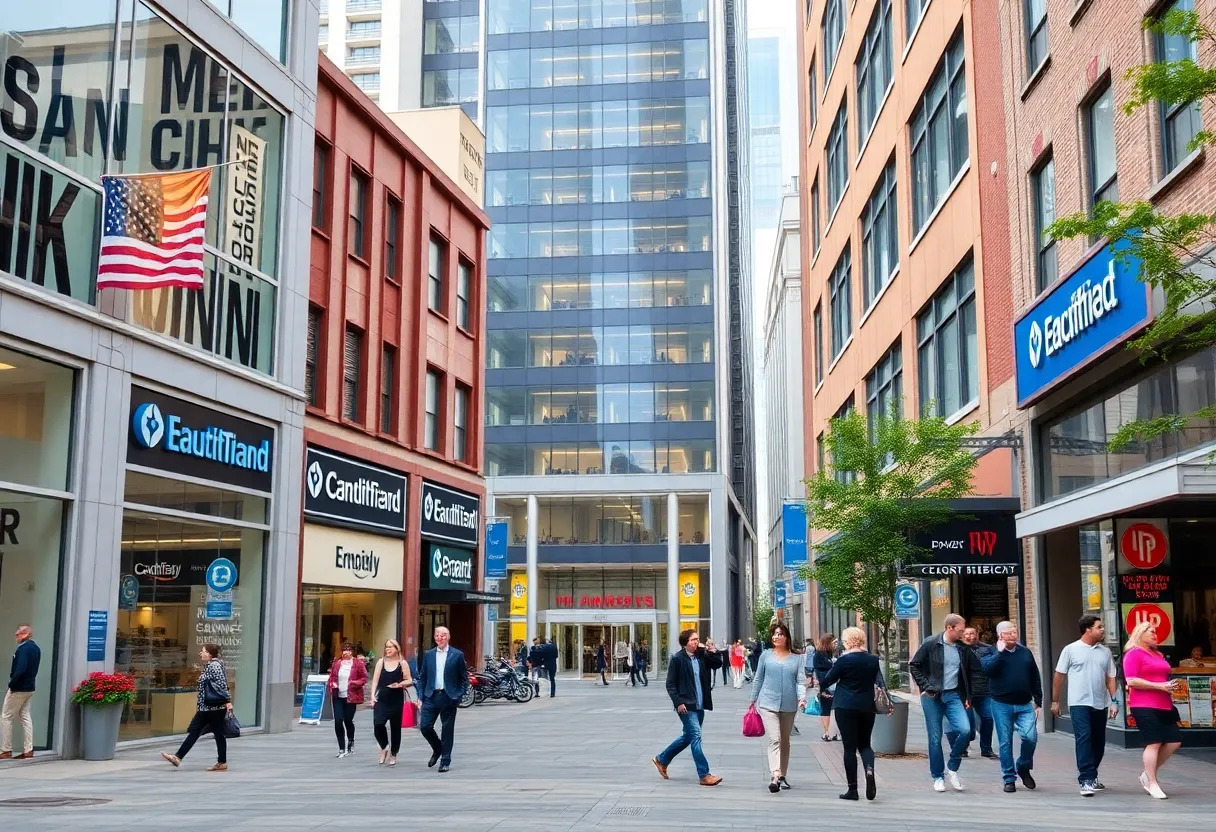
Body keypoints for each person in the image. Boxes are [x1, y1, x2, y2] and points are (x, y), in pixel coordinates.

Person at [909, 612, 979, 792]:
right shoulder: (931, 643)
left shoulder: (963, 648)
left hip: (953, 695)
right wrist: (926, 686)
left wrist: (968, 696)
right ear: (950, 628)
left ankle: (952, 767)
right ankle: (938, 776)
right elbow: (914, 665)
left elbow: (973, 671)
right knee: (935, 737)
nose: (963, 633)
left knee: (965, 730)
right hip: (932, 697)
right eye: (961, 630)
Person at [1052, 614, 1119, 796]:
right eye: (1099, 627)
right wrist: (1055, 701)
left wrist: (1114, 701)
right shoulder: (1070, 649)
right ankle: (1086, 779)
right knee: (1084, 737)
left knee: (1098, 741)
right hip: (1078, 702)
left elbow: (1111, 677)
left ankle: (1092, 774)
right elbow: (1059, 675)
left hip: (1100, 702)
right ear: (1088, 630)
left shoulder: (1105, 652)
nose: (1103, 630)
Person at [824, 627, 890, 801]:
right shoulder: (873, 660)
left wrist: (825, 686)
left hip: (845, 706)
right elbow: (879, 681)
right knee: (865, 744)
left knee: (849, 748)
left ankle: (852, 790)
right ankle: (869, 770)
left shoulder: (843, 660)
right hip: (867, 706)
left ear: (848, 641)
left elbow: (828, 679)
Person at [652, 629, 724, 786]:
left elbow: (718, 664)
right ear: (685, 643)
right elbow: (670, 684)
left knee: (688, 736)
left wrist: (713, 651)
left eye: (697, 639)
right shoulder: (677, 659)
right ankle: (704, 774)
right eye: (693, 640)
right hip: (686, 706)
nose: (696, 642)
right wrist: (678, 702)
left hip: (700, 704)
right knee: (696, 736)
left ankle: (662, 759)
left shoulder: (701, 655)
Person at [979, 621, 1042, 793]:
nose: (1013, 635)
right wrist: (999, 653)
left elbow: (1034, 676)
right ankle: (1009, 778)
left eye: (1014, 631)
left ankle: (1023, 766)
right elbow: (987, 670)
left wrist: (1038, 699)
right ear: (1000, 635)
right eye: (1008, 632)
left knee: (1030, 737)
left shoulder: (1025, 652)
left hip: (1025, 703)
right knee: (1005, 742)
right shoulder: (990, 651)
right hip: (1001, 704)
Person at [1122, 621, 1182, 799]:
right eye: (1151, 632)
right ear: (1140, 634)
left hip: (1164, 703)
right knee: (1154, 742)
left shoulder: (1158, 654)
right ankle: (1152, 782)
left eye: (1155, 632)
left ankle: (1147, 774)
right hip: (1143, 704)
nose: (1155, 635)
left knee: (1174, 741)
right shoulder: (1133, 653)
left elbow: (1162, 676)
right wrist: (1160, 686)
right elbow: (1131, 680)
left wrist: (1168, 686)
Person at [749, 622, 807, 793]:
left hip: (789, 705)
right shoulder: (766, 656)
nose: (776, 637)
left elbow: (800, 681)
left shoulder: (797, 659)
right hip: (768, 703)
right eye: (774, 634)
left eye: (780, 634)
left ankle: (782, 775)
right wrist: (753, 699)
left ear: (786, 637)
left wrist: (802, 698)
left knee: (785, 740)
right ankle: (775, 774)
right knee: (774, 738)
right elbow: (758, 678)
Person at [160, 644, 233, 771]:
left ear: (209, 654)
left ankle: (179, 757)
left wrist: (227, 701)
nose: (201, 653)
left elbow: (222, 684)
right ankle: (220, 762)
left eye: (203, 651)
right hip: (208, 707)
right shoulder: (211, 665)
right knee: (211, 733)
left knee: (205, 732)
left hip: (213, 707)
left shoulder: (214, 666)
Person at [416, 626, 468, 773]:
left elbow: (464, 679)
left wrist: (458, 694)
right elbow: (422, 677)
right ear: (434, 637)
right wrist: (420, 696)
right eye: (438, 635)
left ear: (449, 637)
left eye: (443, 635)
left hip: (448, 696)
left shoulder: (457, 655)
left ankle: (445, 761)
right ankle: (437, 748)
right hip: (431, 696)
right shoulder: (429, 654)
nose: (440, 638)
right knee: (425, 726)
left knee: (447, 729)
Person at [370, 639, 413, 767]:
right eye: (386, 647)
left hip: (396, 699)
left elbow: (409, 680)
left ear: (396, 648)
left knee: (395, 728)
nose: (388, 649)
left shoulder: (402, 663)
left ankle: (394, 753)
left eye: (390, 647)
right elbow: (375, 681)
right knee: (378, 724)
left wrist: (399, 684)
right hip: (382, 698)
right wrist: (372, 696)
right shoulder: (381, 662)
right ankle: (384, 747)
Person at [1, 625, 40, 761]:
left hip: (18, 688)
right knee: (25, 716)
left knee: (6, 716)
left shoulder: (23, 649)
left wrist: (12, 684)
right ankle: (28, 749)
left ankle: (6, 749)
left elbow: (20, 668)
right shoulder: (36, 648)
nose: (16, 636)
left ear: (25, 634)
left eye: (18, 634)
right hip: (29, 688)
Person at [325, 642, 366, 758]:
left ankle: (351, 740)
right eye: (344, 650)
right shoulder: (337, 663)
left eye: (348, 650)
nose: (346, 652)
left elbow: (364, 678)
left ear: (352, 652)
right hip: (338, 696)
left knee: (348, 720)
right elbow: (332, 677)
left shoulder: (358, 663)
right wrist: (332, 684)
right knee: (338, 720)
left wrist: (354, 683)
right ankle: (341, 748)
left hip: (351, 697)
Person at [962, 626, 996, 759]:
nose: (970, 636)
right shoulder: (958, 649)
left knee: (988, 718)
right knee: (967, 724)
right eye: (967, 634)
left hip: (984, 691)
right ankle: (963, 747)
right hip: (966, 693)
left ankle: (986, 749)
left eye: (972, 633)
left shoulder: (988, 649)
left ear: (977, 634)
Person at [811, 633, 839, 742]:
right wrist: (821, 687)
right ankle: (827, 732)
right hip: (825, 685)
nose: (836, 644)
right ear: (828, 642)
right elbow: (818, 671)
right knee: (826, 708)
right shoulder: (819, 654)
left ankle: (832, 732)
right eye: (834, 642)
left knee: (833, 708)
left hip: (833, 684)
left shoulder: (830, 654)